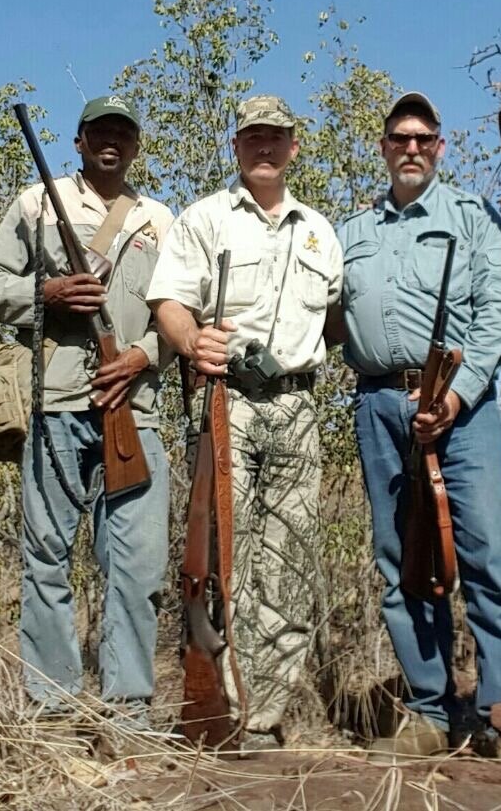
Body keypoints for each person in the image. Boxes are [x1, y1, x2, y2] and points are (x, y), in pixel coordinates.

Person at [332, 91, 501, 759]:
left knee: (485, 552)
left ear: (441, 147)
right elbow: (328, 318)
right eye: (401, 138)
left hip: (462, 406)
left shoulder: (473, 217)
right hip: (379, 408)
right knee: (403, 560)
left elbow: (495, 319)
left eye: (425, 138)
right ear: (384, 147)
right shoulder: (351, 231)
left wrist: (455, 397)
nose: (413, 148)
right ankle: (429, 708)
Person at [148, 94, 342, 750]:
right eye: (252, 137)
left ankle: (263, 715)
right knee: (220, 557)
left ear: (293, 147)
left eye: (276, 137)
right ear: (236, 146)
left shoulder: (320, 230)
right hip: (226, 402)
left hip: (297, 405)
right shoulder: (205, 217)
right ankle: (215, 701)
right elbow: (170, 301)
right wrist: (191, 339)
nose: (264, 147)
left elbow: (336, 319)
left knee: (285, 557)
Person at [0, 94, 174, 720]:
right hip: (55, 404)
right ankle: (52, 706)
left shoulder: (161, 220)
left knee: (136, 570)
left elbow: (183, 315)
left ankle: (128, 711)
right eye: (98, 132)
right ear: (79, 140)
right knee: (46, 561)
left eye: (122, 132)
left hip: (136, 411)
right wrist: (47, 292)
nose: (111, 141)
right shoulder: (36, 202)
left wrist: (139, 356)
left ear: (136, 145)